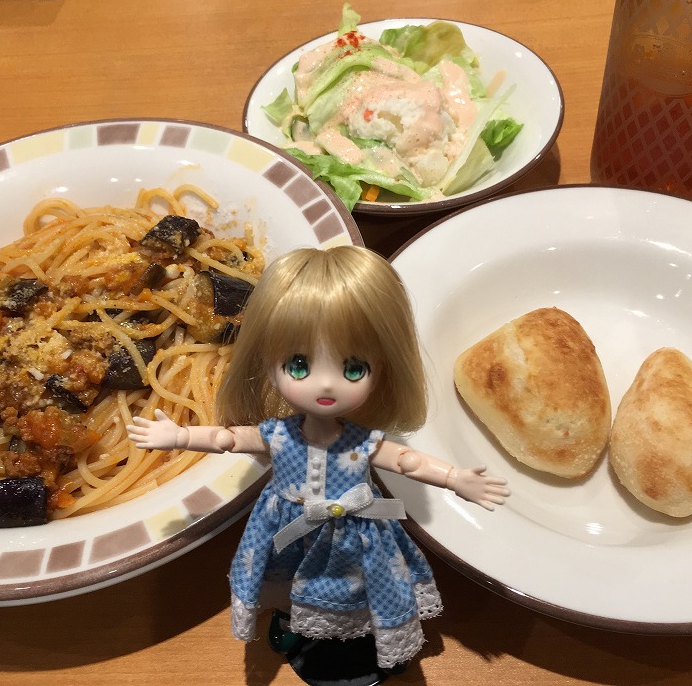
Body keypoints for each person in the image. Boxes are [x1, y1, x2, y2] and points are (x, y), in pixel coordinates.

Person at [127, 245, 509, 678]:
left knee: (363, 588)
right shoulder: (278, 434)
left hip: (355, 535)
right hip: (285, 527)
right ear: (266, 361)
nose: (325, 385)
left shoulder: (361, 440)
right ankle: (294, 622)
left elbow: (406, 460)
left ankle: (366, 634)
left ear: (384, 367)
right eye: (298, 365)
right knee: (283, 581)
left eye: (353, 369)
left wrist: (455, 477)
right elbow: (227, 438)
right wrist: (180, 437)